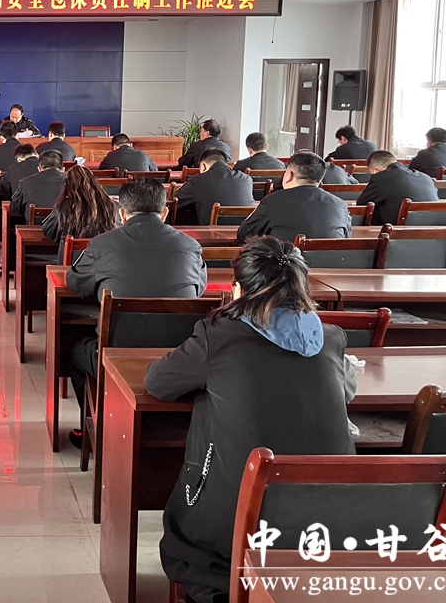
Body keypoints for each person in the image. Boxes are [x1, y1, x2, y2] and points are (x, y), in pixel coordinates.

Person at [147, 237, 356, 603]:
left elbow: (158, 383)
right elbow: (347, 391)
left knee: (188, 535)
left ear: (238, 289)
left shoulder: (219, 335)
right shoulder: (330, 337)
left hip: (236, 530)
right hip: (328, 524)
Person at [66, 178, 207, 441]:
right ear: (164, 212)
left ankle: (91, 428)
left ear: (121, 213)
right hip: (178, 357)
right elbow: (198, 292)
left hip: (115, 355)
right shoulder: (191, 246)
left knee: (76, 352)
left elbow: (76, 284)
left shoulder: (101, 244)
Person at [236, 151, 351, 243]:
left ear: (289, 175)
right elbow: (345, 237)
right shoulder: (341, 205)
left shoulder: (272, 201)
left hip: (285, 265)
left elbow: (244, 235)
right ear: (320, 180)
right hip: (330, 264)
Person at [41, 166, 118, 263]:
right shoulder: (109, 204)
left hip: (71, 261)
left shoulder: (64, 206)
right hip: (102, 259)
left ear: (67, 184)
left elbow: (50, 231)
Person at [357, 149, 439, 225]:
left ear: (376, 170)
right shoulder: (425, 177)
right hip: (435, 229)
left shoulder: (382, 177)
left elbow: (361, 205)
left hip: (400, 231)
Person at [173, 149, 253, 225]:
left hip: (211, 232)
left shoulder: (198, 180)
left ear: (203, 166)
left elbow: (175, 201)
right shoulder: (246, 179)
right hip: (245, 230)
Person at [12, 150, 66, 223]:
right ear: (63, 169)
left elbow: (15, 208)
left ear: (39, 169)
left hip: (35, 226)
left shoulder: (25, 182)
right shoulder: (73, 182)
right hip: (66, 228)